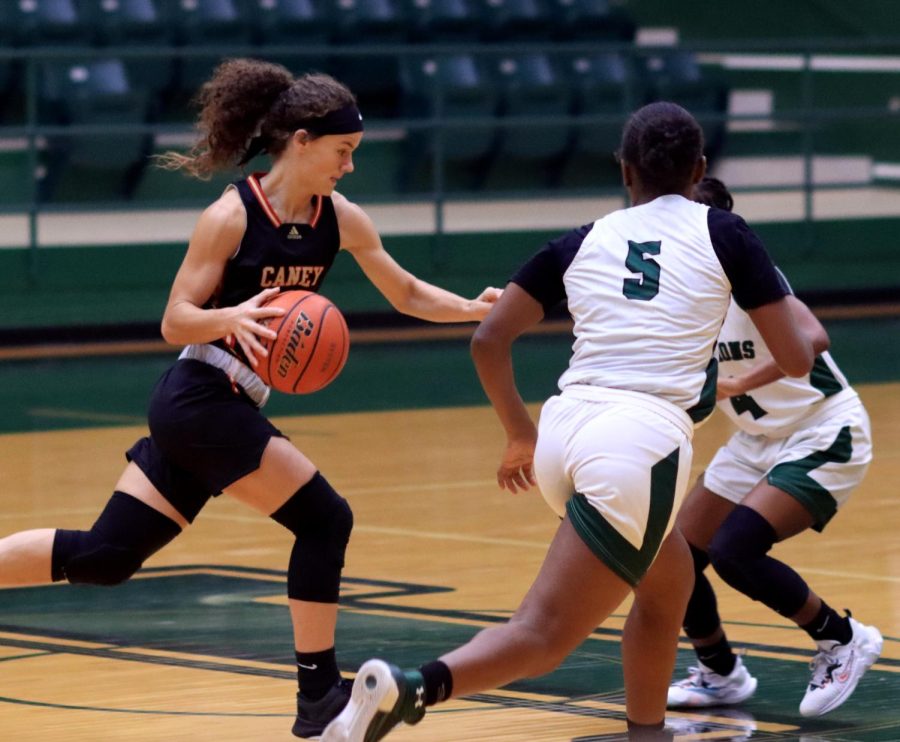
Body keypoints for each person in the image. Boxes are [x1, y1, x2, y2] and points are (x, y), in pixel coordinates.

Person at [0, 59, 500, 740]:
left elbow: (407, 293)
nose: (349, 167)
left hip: (223, 406)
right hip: (199, 394)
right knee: (326, 521)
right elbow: (174, 319)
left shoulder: (339, 219)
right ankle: (319, 697)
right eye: (342, 152)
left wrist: (473, 307)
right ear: (300, 141)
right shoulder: (230, 217)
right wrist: (227, 319)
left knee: (105, 558)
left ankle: (319, 699)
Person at [320, 101, 817, 742]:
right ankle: (410, 688)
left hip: (564, 431)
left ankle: (647, 731)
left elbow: (489, 339)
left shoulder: (579, 241)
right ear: (699, 169)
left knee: (669, 583)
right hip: (638, 446)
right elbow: (797, 355)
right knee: (544, 635)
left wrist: (519, 434)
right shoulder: (726, 232)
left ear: (624, 169)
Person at [666, 176, 881, 718]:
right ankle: (720, 672)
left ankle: (841, 638)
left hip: (823, 427)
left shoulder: (751, 276)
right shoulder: (680, 296)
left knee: (734, 549)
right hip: (756, 439)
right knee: (673, 554)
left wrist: (740, 382)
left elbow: (812, 339)